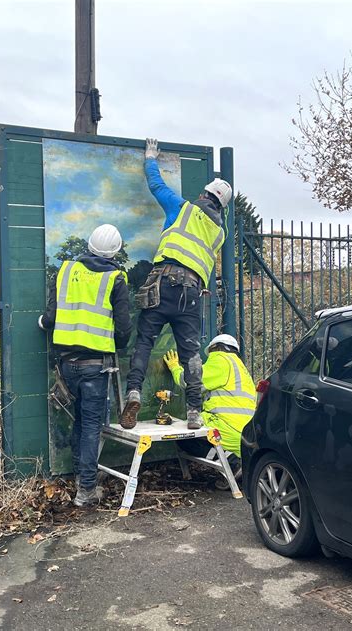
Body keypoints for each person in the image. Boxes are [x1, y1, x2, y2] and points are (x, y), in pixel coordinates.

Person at [120, 138, 232, 430]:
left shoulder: (182, 208)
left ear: (203, 194)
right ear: (221, 206)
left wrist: (150, 157)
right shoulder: (219, 233)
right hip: (191, 294)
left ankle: (133, 392)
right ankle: (194, 410)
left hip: (162, 284)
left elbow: (156, 185)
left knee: (145, 341)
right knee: (191, 353)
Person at [38, 224, 132, 507]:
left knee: (80, 420)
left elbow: (51, 316)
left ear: (89, 245)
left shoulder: (66, 270)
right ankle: (86, 489)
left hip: (67, 365)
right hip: (96, 366)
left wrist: (43, 323)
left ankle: (82, 477)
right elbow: (125, 329)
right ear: (115, 251)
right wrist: (118, 343)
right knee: (92, 425)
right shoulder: (116, 278)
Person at [163, 334, 256, 488]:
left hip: (225, 425)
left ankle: (232, 465)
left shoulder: (220, 359)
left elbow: (191, 381)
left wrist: (175, 368)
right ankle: (234, 463)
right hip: (245, 432)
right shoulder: (241, 368)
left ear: (215, 348)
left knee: (184, 438)